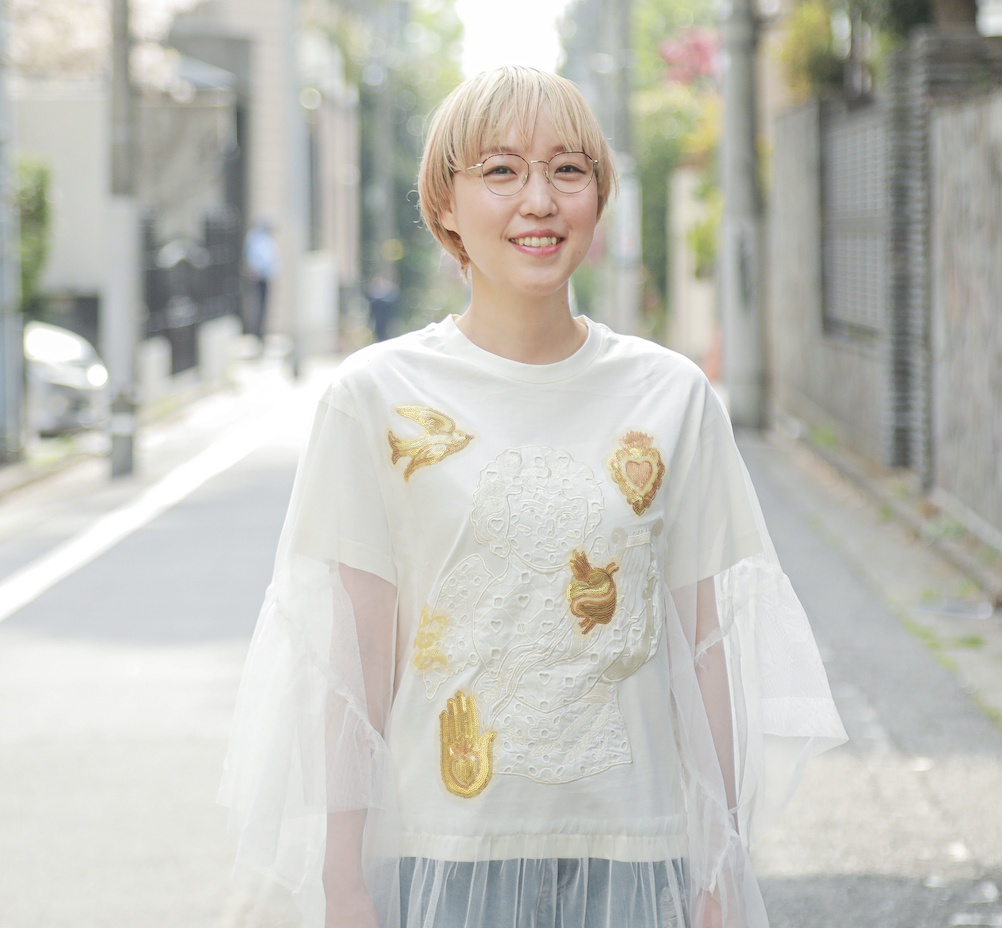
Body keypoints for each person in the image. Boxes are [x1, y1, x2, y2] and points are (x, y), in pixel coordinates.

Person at [219, 67, 847, 928]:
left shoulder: (671, 396)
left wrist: (718, 871)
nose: (540, 201)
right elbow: (354, 664)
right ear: (446, 204)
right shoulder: (376, 398)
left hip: (639, 855)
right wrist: (344, 885)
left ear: (599, 195)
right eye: (501, 171)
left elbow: (704, 653)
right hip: (442, 858)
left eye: (568, 170)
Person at [243, 217, 281, 342]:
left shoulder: (266, 238)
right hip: (258, 276)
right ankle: (256, 332)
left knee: (265, 305)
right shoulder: (255, 237)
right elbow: (254, 257)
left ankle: (262, 332)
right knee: (258, 304)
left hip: (266, 276)